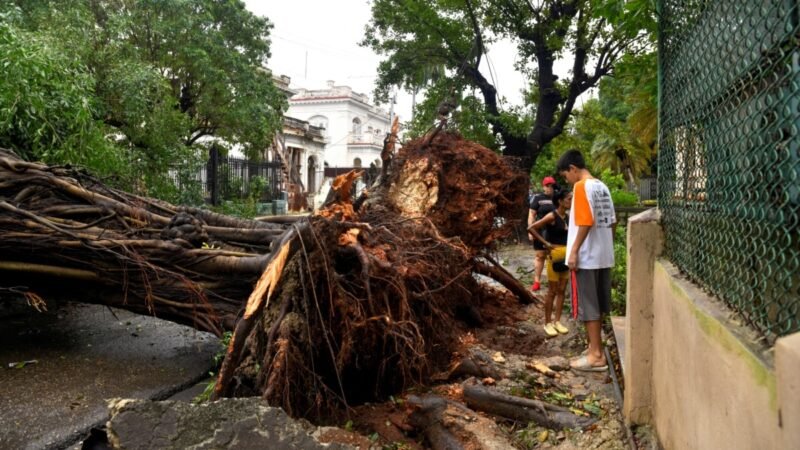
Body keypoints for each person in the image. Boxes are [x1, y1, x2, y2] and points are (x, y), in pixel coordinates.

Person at [556, 149, 616, 372]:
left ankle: (595, 356)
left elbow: (585, 221)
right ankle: (595, 347)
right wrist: (606, 246)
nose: (567, 180)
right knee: (598, 305)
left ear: (573, 168)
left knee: (588, 306)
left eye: (565, 175)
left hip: (588, 257)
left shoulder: (581, 186)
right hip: (603, 254)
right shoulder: (601, 186)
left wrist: (573, 252)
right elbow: (612, 221)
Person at [527, 189, 572, 337]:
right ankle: (547, 322)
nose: (571, 201)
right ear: (560, 201)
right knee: (552, 290)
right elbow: (532, 228)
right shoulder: (552, 215)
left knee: (562, 290)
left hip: (566, 255)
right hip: (554, 254)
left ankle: (557, 321)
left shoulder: (568, 217)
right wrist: (545, 243)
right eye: (568, 199)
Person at [528, 176, 558, 291]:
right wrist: (531, 231)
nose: (550, 188)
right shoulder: (537, 198)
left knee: (554, 256)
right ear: (543, 186)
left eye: (552, 186)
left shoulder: (557, 198)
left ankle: (553, 281)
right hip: (540, 231)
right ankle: (537, 281)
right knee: (540, 256)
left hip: (555, 232)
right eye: (548, 186)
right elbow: (531, 215)